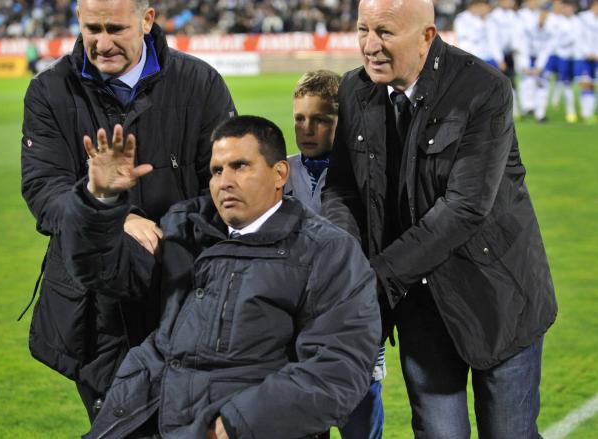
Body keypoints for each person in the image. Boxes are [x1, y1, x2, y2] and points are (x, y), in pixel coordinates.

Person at [58, 115, 382, 438]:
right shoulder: (185, 227)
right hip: (145, 412)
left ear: (279, 173)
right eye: (216, 170)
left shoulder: (328, 251)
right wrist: (99, 201)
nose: (224, 181)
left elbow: (338, 369)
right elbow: (101, 272)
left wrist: (234, 425)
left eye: (240, 166)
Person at [322, 0, 558, 437]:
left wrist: (375, 278)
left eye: (385, 33)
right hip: (418, 300)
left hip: (497, 296)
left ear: (427, 37)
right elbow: (343, 188)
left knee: (508, 433)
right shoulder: (355, 90)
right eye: (362, 30)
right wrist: (347, 261)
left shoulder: (483, 90)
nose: (369, 46)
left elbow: (464, 207)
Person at [20, 0, 235, 422]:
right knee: (116, 425)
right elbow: (44, 192)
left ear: (147, 20)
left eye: (116, 28)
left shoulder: (200, 84)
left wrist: (163, 234)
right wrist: (110, 214)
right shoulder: (49, 91)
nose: (102, 43)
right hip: (93, 305)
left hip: (182, 292)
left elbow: (226, 191)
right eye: (92, 28)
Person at [285, 69, 385, 439]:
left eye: (320, 120)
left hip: (350, 328)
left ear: (343, 123)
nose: (306, 128)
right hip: (297, 327)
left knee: (359, 422)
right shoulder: (280, 172)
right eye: (299, 118)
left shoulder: (365, 174)